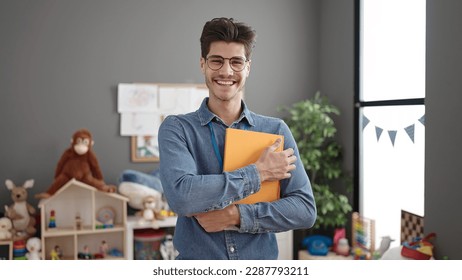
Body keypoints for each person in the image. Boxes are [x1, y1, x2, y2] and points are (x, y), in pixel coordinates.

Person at [158, 17, 316, 260]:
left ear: (248, 67)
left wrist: (237, 216)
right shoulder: (176, 128)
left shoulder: (276, 131)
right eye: (216, 61)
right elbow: (183, 197)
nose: (226, 71)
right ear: (202, 64)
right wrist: (259, 173)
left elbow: (304, 210)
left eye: (236, 62)